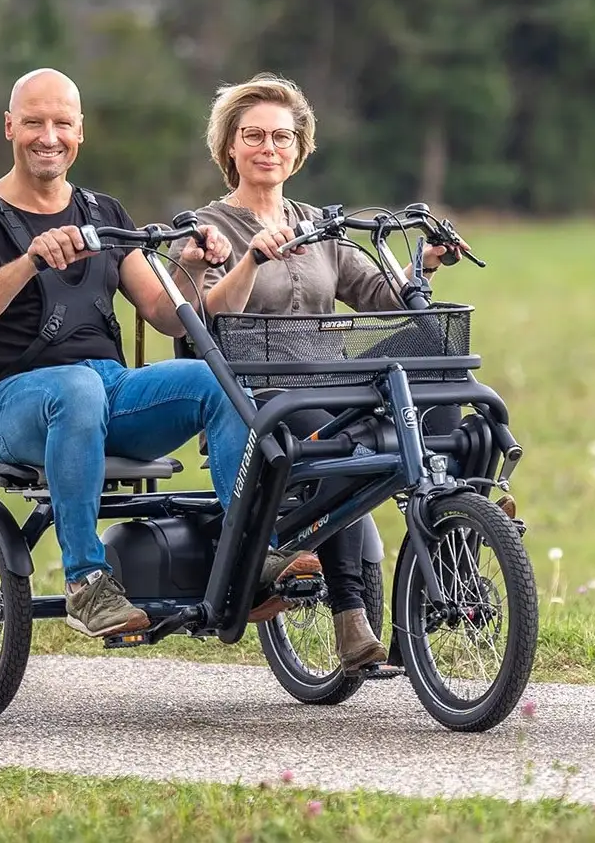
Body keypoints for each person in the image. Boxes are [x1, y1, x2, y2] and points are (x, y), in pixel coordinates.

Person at [0, 67, 319, 640]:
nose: (49, 136)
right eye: (34, 123)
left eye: (62, 123)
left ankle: (252, 555)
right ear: (10, 126)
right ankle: (87, 581)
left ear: (80, 131)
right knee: (77, 388)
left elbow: (166, 311)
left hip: (107, 391)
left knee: (213, 379)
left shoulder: (103, 213)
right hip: (11, 404)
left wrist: (194, 264)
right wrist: (30, 261)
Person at [172, 72, 517, 673]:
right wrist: (252, 259)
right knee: (341, 446)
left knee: (435, 365)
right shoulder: (207, 227)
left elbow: (379, 296)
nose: (269, 147)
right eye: (253, 135)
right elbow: (203, 317)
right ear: (229, 146)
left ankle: (453, 525)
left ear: (299, 149)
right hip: (256, 392)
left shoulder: (317, 224)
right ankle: (350, 618)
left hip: (332, 380)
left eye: (282, 136)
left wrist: (423, 266)